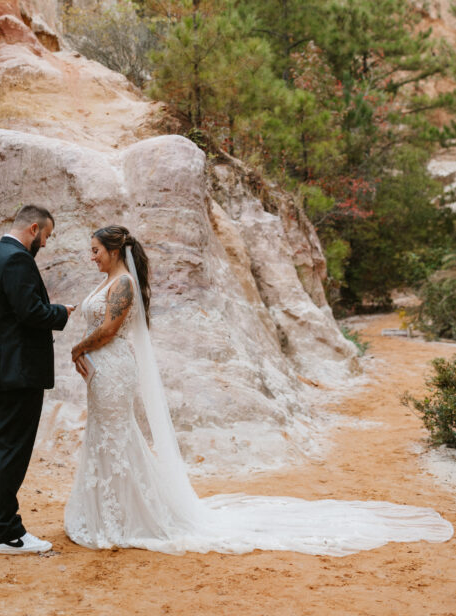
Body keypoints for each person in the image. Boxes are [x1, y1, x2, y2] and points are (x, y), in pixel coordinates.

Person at [64, 224, 453, 555]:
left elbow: (110, 329)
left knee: (118, 436)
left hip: (113, 367)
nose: (92, 257)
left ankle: (126, 515)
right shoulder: (108, 281)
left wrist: (78, 348)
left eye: (96, 251)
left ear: (114, 250)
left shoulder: (124, 283)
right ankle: (110, 510)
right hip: (104, 368)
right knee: (108, 436)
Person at [0, 204, 74, 554]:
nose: (44, 244)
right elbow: (32, 313)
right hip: (16, 373)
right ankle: (8, 533)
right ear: (33, 228)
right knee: (11, 448)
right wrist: (62, 312)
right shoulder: (17, 259)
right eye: (46, 237)